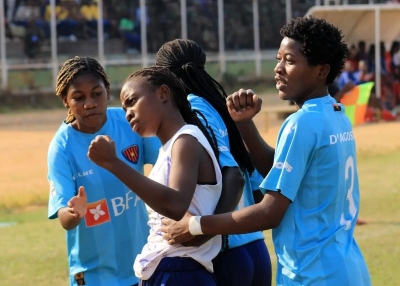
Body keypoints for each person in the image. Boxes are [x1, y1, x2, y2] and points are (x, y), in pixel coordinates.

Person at [161, 16, 372, 285]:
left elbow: (270, 212)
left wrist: (196, 225)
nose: (278, 69)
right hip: (347, 267)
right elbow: (280, 170)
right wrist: (245, 124)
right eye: (278, 59)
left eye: (290, 61)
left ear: (321, 71)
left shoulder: (301, 123)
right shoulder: (336, 114)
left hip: (313, 274)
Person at [87, 66, 223, 286]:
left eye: (132, 101)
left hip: (181, 269)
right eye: (124, 108)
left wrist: (113, 163)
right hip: (167, 267)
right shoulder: (169, 148)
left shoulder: (186, 140)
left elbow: (176, 204)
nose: (128, 113)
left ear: (162, 94)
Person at [155, 38, 272, 286]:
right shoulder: (217, 105)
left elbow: (235, 176)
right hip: (254, 248)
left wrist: (198, 232)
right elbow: (255, 186)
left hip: (226, 253)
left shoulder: (192, 110)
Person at [47, 56, 161, 286]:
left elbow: (167, 162)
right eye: (78, 98)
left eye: (96, 93)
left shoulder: (129, 121)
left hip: (143, 262)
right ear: (65, 101)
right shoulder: (61, 148)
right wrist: (74, 212)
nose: (89, 103)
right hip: (93, 274)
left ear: (107, 91)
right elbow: (64, 219)